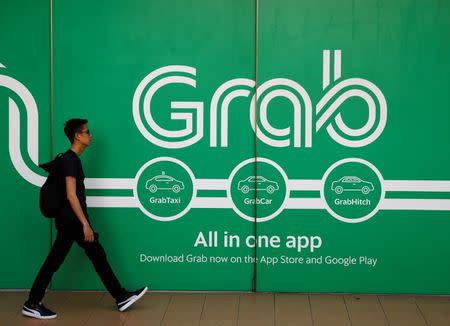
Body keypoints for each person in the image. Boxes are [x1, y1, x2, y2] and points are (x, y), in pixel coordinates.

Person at [22, 118, 147, 319]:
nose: (90, 136)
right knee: (85, 257)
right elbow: (71, 195)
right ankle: (32, 303)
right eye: (87, 132)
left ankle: (120, 296)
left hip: (68, 221)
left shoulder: (69, 159)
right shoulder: (71, 160)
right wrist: (85, 224)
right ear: (77, 136)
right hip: (72, 221)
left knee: (87, 256)